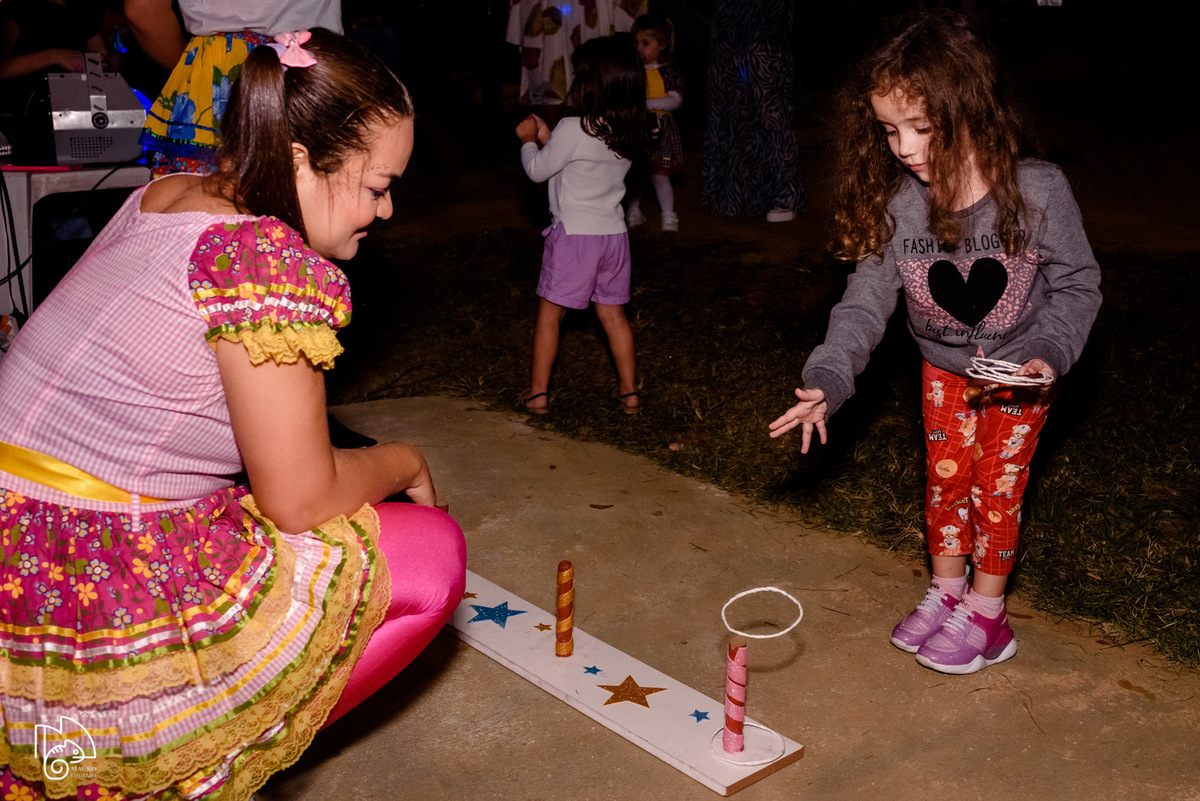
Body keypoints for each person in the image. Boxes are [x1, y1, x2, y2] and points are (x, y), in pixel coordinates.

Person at [0, 29, 466, 800]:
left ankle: (69, 764)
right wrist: (403, 459)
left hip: (18, 521)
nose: (388, 209)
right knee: (429, 557)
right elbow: (299, 497)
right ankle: (195, 764)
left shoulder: (172, 192)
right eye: (377, 184)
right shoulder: (262, 261)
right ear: (296, 162)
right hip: (66, 560)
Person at [768, 10, 1101, 675]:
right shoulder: (901, 208)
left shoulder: (1037, 191)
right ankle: (948, 592)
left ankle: (988, 613)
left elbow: (1079, 284)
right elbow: (862, 307)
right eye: (890, 130)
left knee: (995, 490)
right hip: (941, 371)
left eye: (921, 128)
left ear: (967, 107)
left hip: (1017, 373)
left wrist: (1051, 353)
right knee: (946, 484)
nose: (905, 147)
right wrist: (828, 380)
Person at [515, 35, 646, 416]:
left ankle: (538, 395)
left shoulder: (574, 127)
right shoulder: (626, 131)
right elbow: (581, 160)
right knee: (613, 316)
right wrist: (548, 137)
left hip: (575, 238)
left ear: (593, 81)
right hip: (614, 238)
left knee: (550, 315)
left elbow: (539, 170)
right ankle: (629, 393)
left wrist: (528, 142)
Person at [125, 0, 343, 176]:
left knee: (213, 220)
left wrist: (197, 71)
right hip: (315, 67)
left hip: (221, 71)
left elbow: (143, 10)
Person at [701, 0, 805, 222]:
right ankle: (737, 196)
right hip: (730, 28)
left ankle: (785, 195)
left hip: (764, 31)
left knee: (770, 113)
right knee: (731, 112)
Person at [625, 13, 684, 233]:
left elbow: (676, 100)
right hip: (636, 127)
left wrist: (647, 104)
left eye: (646, 43)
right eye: (636, 43)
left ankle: (669, 215)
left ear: (662, 44)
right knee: (635, 173)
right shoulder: (634, 71)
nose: (639, 48)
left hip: (660, 130)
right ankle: (633, 211)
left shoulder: (668, 71)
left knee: (659, 175)